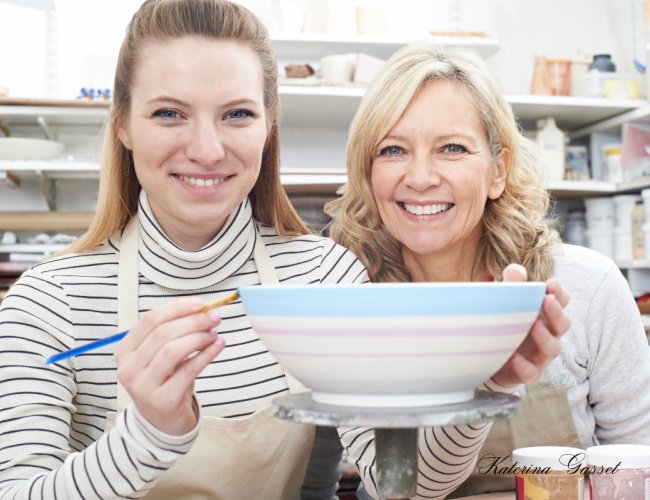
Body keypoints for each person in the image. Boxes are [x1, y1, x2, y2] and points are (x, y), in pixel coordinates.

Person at [0, 2, 566, 498]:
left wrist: (483, 383)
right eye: (169, 113)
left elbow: (406, 486)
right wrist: (147, 434)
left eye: (237, 114)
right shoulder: (47, 305)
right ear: (122, 123)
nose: (206, 148)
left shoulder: (325, 280)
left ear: (270, 125)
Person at [326, 42, 650, 498]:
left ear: (498, 170)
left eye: (452, 148)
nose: (420, 177)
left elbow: (636, 466)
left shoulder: (587, 286)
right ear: (367, 171)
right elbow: (399, 488)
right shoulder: (348, 300)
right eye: (393, 149)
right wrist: (491, 382)